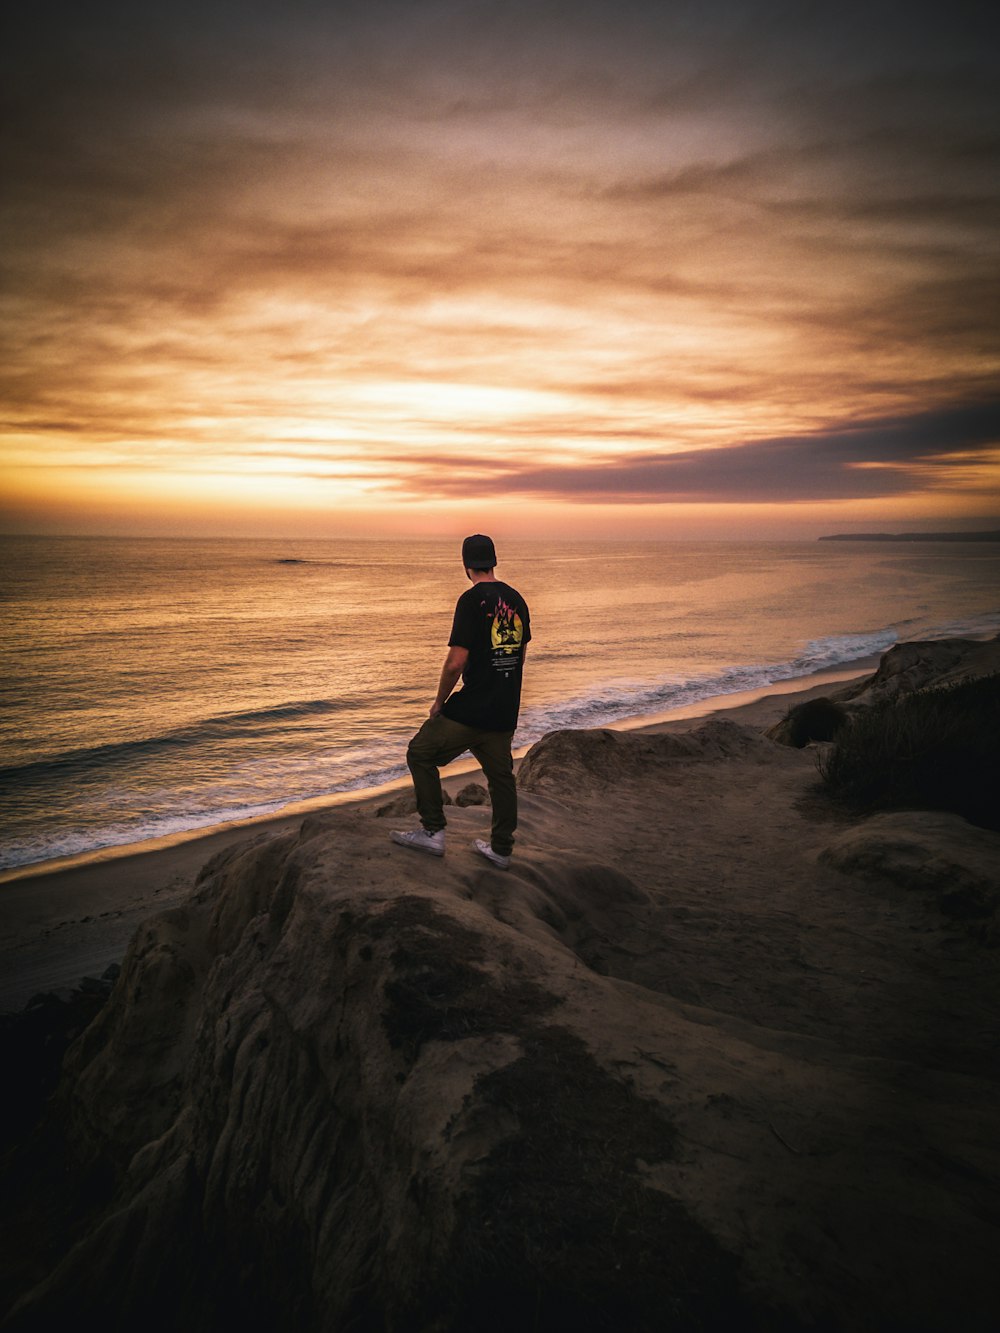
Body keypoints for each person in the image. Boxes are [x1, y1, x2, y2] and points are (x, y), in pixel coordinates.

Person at [391, 534, 531, 870]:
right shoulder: (517, 599)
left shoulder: (471, 601)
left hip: (471, 710)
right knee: (501, 780)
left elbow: (456, 662)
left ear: (466, 565)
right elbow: (520, 655)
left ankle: (433, 832)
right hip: (503, 710)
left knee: (420, 752)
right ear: (494, 561)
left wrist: (439, 701)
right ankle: (501, 850)